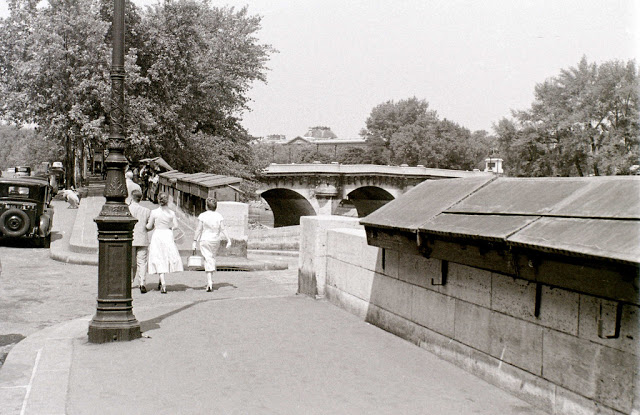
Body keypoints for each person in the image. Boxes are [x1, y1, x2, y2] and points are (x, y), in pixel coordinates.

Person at [146, 192, 183, 293]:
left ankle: (162, 282)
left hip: (158, 234)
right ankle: (161, 280)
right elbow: (176, 225)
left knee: (158, 257)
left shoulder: (154, 212)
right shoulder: (171, 213)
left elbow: (149, 226)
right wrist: (170, 228)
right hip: (167, 234)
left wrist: (145, 226)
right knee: (165, 256)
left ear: (158, 200)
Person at [192, 197, 232, 292]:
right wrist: (228, 239)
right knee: (212, 257)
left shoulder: (202, 216)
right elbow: (223, 229)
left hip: (205, 239)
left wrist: (194, 241)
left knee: (207, 258)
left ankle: (209, 281)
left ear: (206, 206)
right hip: (215, 240)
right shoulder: (219, 216)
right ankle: (211, 277)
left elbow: (199, 229)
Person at [129, 189, 151, 293]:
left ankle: (130, 282)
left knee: (130, 262)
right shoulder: (146, 211)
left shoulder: (128, 209)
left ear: (131, 197)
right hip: (142, 238)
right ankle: (142, 283)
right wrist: (145, 229)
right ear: (140, 198)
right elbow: (150, 225)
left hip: (131, 238)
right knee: (142, 262)